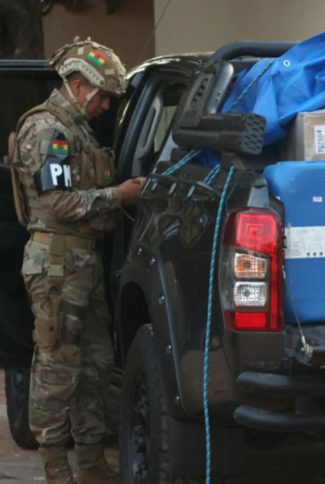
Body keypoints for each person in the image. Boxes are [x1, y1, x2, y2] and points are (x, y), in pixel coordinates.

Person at [8, 38, 143, 484]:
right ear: (78, 84)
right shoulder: (49, 130)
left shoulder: (78, 130)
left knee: (95, 365)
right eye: (102, 95)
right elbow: (57, 205)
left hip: (82, 261)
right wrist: (119, 195)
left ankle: (89, 464)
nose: (105, 105)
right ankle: (54, 469)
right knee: (57, 367)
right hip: (57, 263)